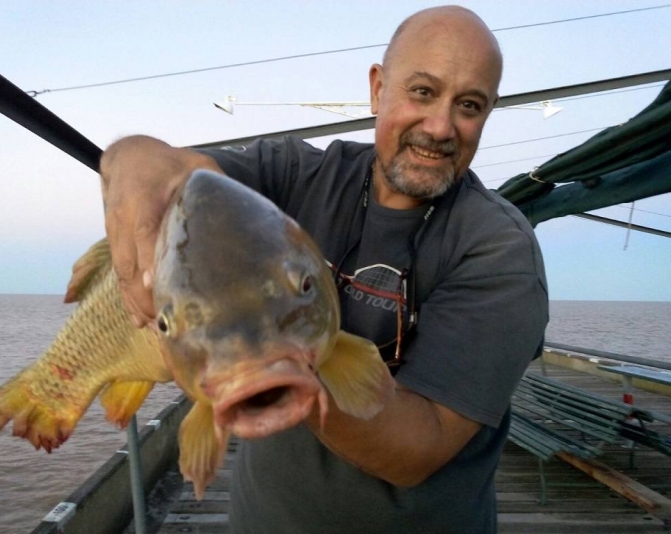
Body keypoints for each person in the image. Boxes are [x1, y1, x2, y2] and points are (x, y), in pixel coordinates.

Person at [100, 5, 548, 533]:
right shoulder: (295, 174)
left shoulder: (500, 250)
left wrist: (273, 372)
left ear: (489, 112)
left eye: (469, 105)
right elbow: (184, 175)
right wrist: (129, 158)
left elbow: (420, 445)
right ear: (377, 88)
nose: (439, 126)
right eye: (422, 92)